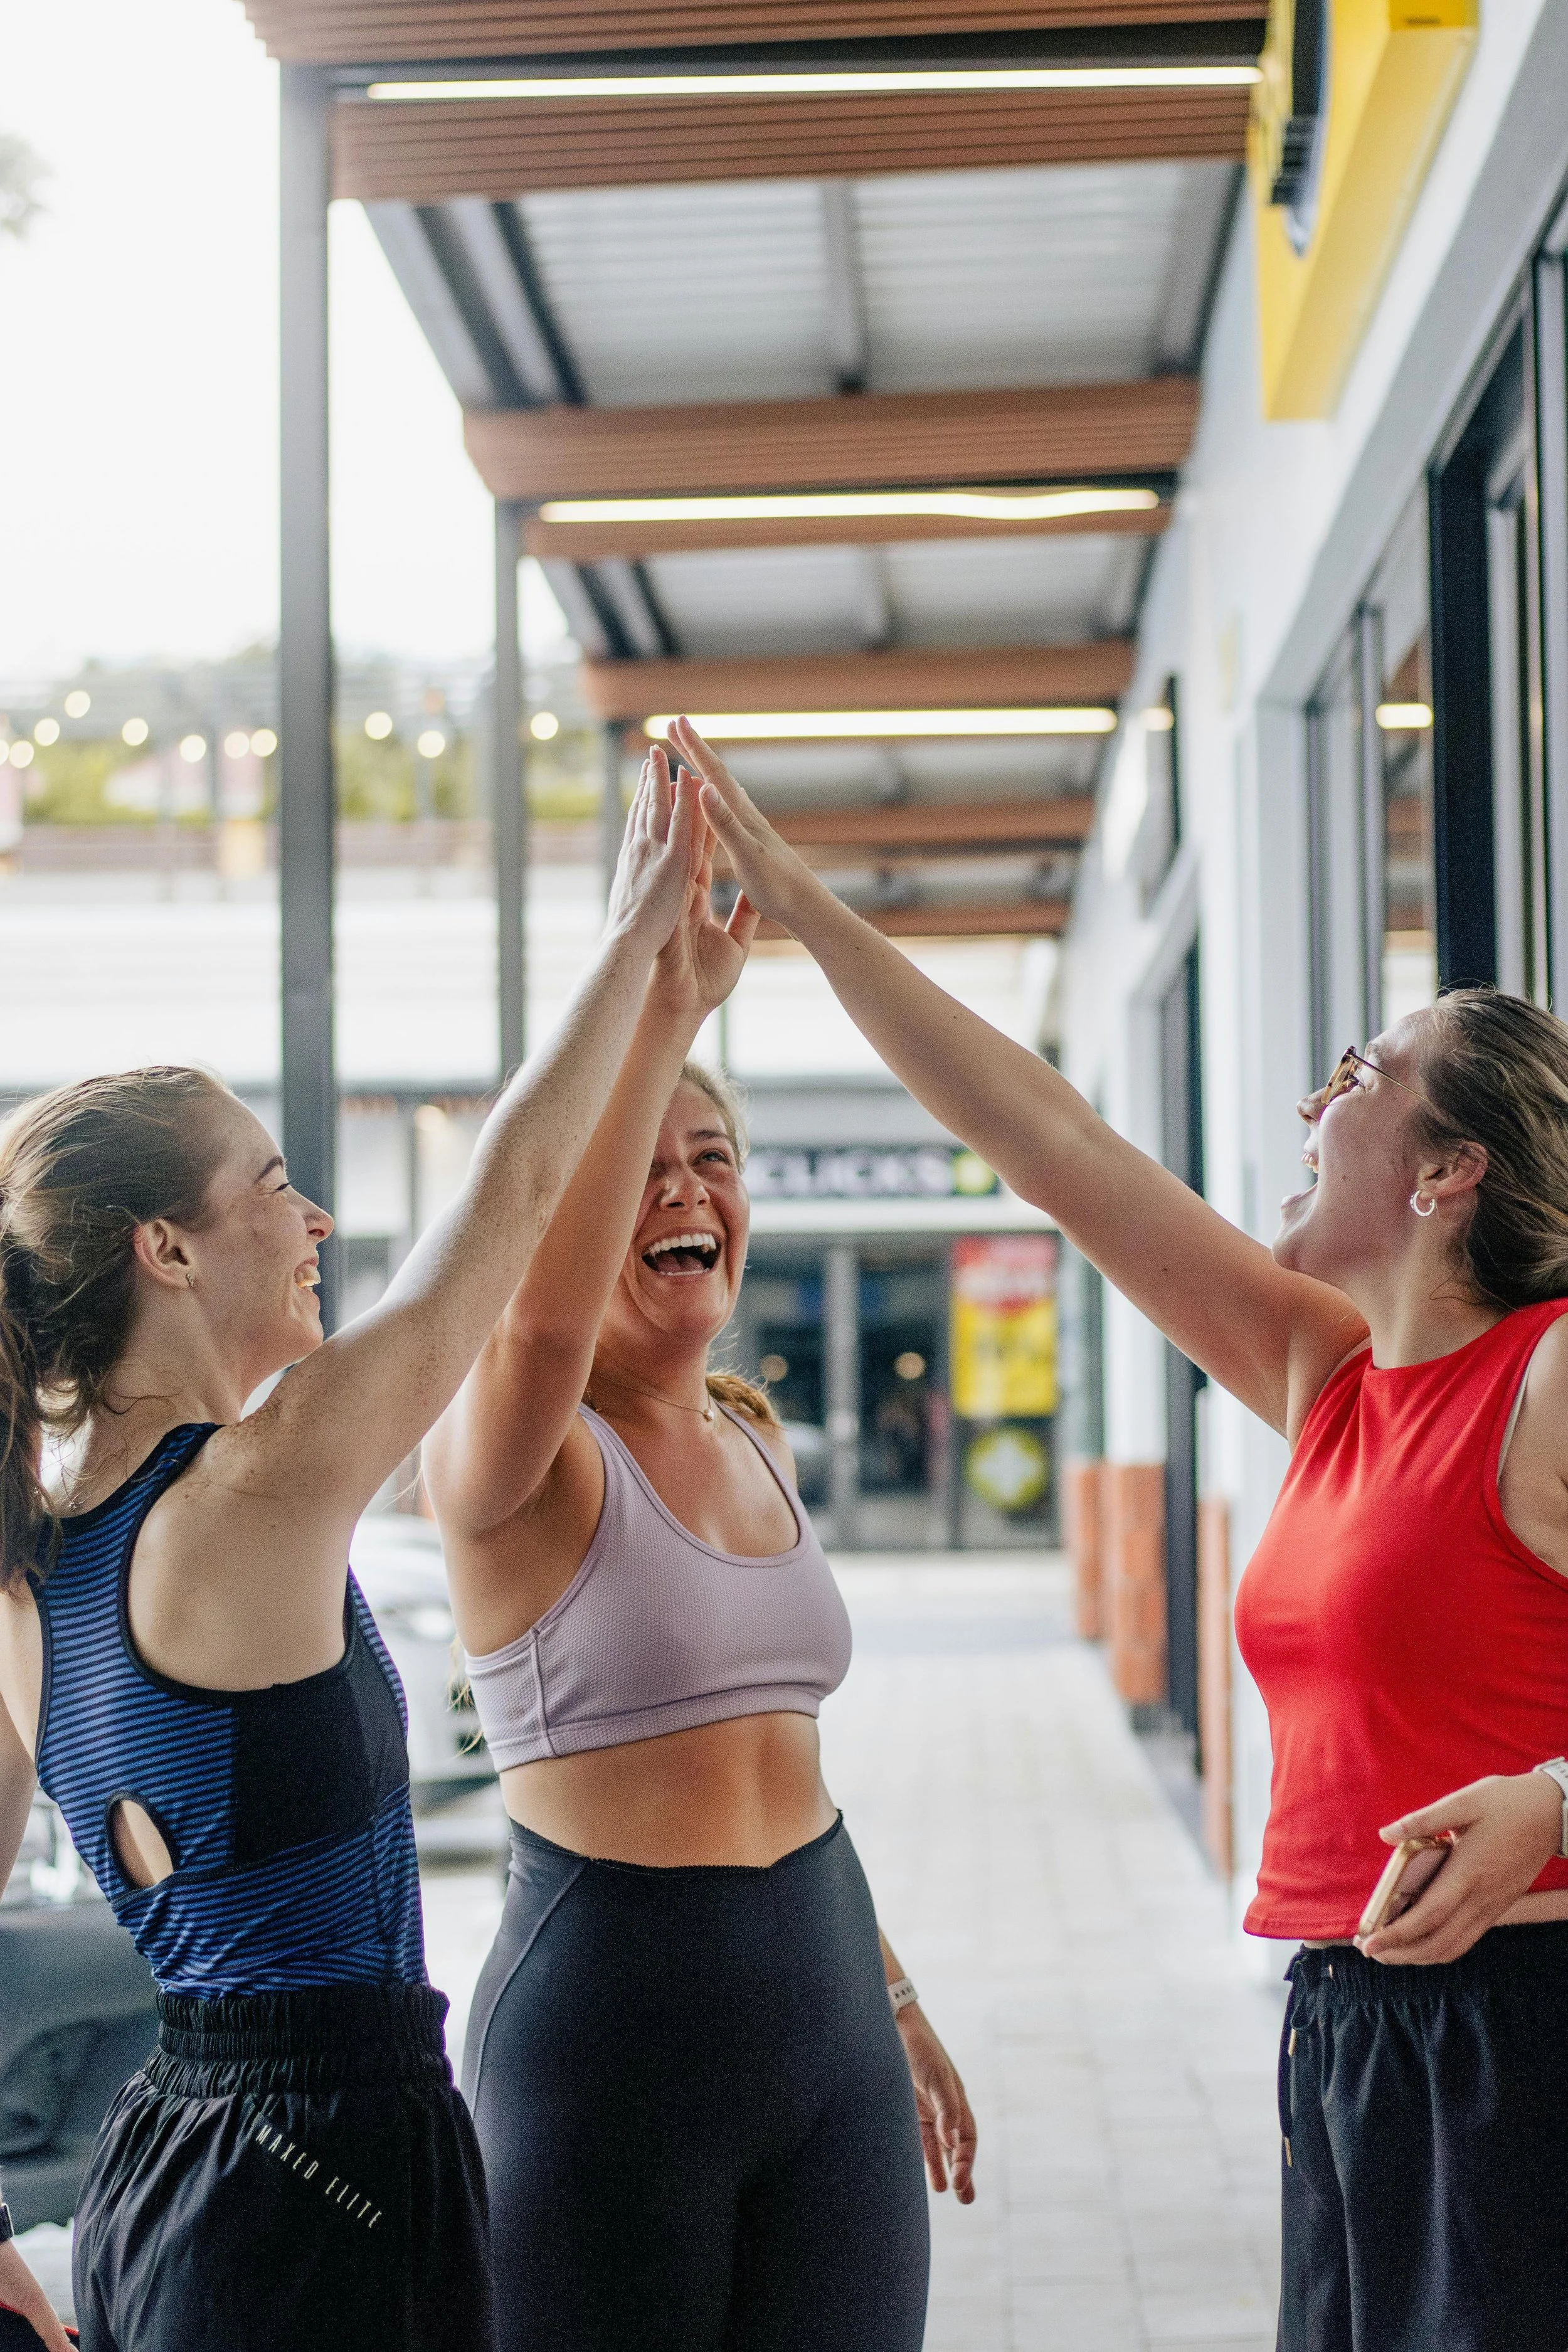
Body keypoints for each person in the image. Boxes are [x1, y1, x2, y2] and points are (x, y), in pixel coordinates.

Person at [679, 711, 1568, 2352]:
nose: (1316, 1092)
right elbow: (1051, 1141)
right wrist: (797, 899)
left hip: (1528, 2019)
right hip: (1347, 2015)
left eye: (1362, 1074)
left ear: (1452, 1169)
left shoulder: (1547, 1370)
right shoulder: (1331, 1372)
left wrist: (1555, 1794)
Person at [0, 761, 704, 2352]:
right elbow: (504, 1221)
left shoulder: (33, 1571)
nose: (314, 1220)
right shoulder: (252, 1492)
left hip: (165, 2165)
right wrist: (631, 951)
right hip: (319, 2171)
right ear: (162, 1251)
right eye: (272, 1188)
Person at [423, 794, 975, 2352]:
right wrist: (653, 994)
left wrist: (895, 1998)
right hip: (610, 2037)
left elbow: (782, 1772)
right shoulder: (513, 1462)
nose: (684, 1193)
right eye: (641, 1168)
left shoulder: (753, 1439)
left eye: (710, 1159)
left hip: (825, 2016)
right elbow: (532, 1324)